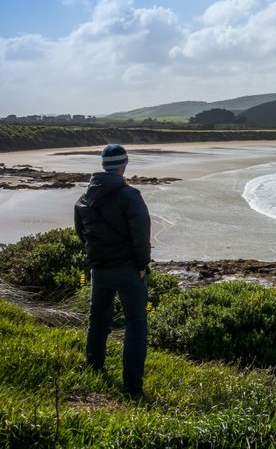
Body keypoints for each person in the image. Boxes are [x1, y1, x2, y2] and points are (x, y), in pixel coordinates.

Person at [74, 144, 151, 400]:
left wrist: (97, 258)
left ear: (103, 165)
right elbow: (141, 235)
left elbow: (82, 234)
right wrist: (142, 265)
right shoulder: (130, 195)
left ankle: (94, 368)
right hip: (128, 270)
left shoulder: (84, 198)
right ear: (124, 165)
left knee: (98, 321)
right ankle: (132, 388)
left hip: (99, 270)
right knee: (136, 325)